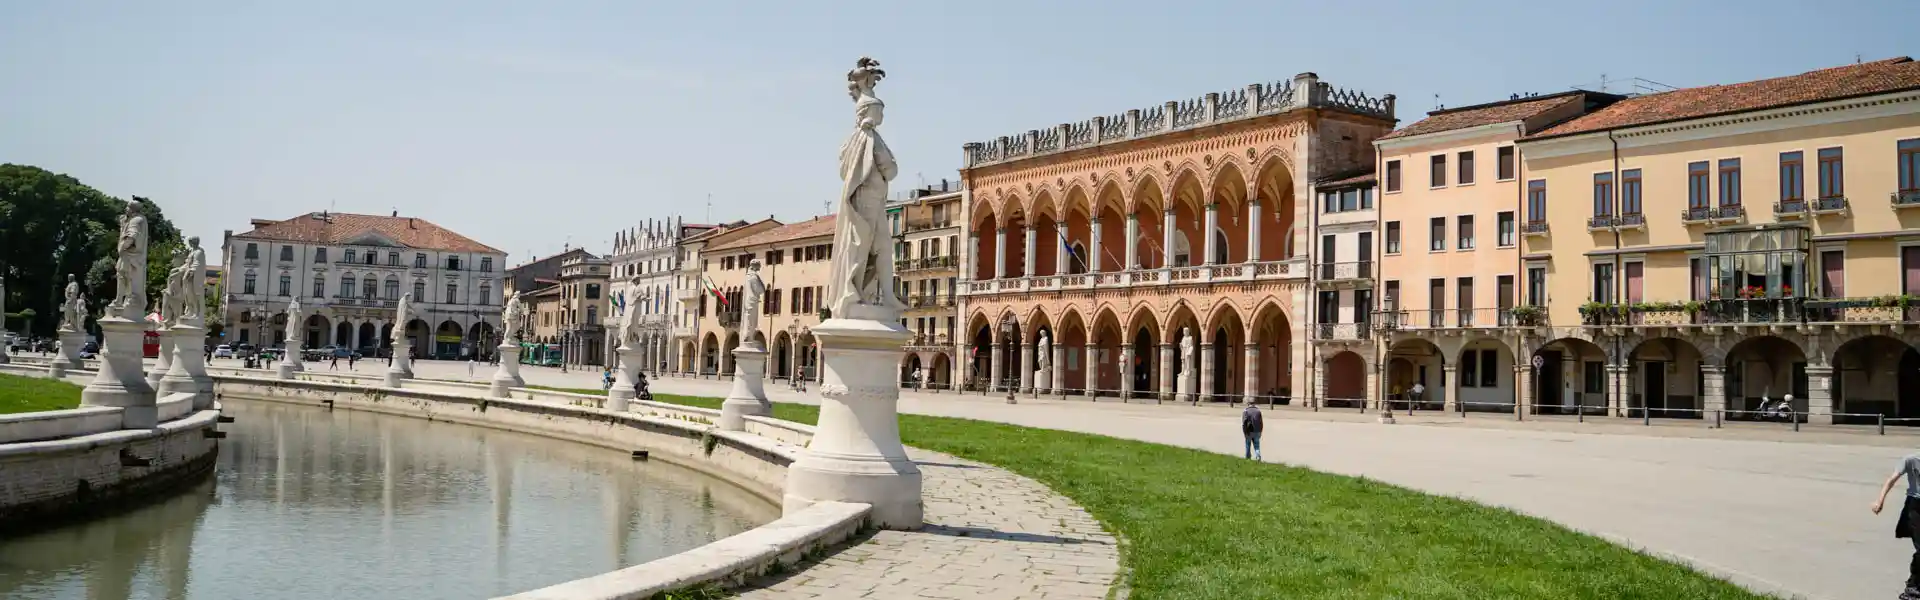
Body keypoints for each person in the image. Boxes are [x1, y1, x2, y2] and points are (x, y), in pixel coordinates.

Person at [1871, 451, 1920, 597]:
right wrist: (1880, 501)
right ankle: (1912, 586)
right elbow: (1891, 480)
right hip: (1914, 507)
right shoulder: (1911, 460)